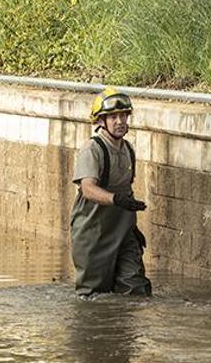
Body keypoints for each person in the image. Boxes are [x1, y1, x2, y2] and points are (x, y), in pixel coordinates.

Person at [70, 87, 152, 297]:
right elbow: (88, 189)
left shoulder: (128, 150)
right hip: (93, 232)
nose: (120, 121)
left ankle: (126, 329)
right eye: (113, 117)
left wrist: (132, 228)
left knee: (135, 288)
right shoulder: (92, 149)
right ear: (100, 121)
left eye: (123, 115)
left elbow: (126, 191)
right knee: (94, 296)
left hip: (123, 233)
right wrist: (116, 200)